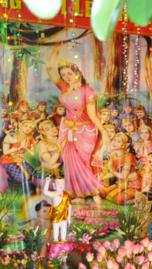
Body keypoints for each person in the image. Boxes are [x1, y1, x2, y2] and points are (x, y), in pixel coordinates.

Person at [48, 56, 103, 199]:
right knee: (69, 160)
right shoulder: (65, 87)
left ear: (77, 72)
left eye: (69, 73)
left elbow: (93, 116)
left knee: (84, 160)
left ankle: (91, 190)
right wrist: (56, 51)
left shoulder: (88, 91)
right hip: (67, 129)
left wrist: (104, 132)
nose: (67, 77)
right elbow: (49, 70)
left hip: (85, 131)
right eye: (63, 75)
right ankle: (75, 192)